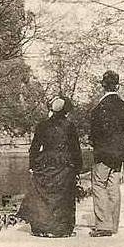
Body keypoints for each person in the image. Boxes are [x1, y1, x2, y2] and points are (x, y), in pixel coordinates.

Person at [18, 97, 83, 238]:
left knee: (43, 195)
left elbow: (34, 147)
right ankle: (61, 229)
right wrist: (78, 168)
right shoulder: (69, 126)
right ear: (66, 111)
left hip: (46, 160)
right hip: (64, 162)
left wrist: (32, 165)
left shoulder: (43, 125)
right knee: (63, 196)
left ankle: (42, 227)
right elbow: (75, 149)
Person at [88, 70, 124, 237]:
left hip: (103, 153)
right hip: (119, 152)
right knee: (113, 186)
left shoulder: (98, 109)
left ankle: (103, 225)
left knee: (99, 185)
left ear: (102, 86)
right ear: (118, 86)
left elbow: (93, 136)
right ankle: (113, 224)